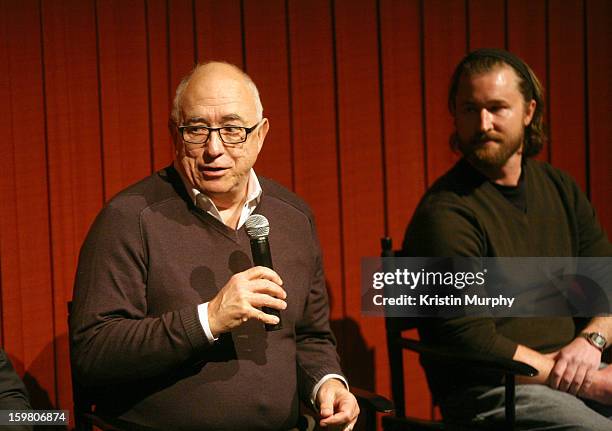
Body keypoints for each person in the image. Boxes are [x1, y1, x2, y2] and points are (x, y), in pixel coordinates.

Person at [69, 61, 359, 431]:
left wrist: (327, 384)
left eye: (233, 130)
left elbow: (309, 337)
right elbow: (93, 353)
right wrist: (209, 319)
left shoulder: (294, 218)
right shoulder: (130, 219)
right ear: (175, 134)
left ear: (260, 134)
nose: (213, 149)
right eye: (197, 130)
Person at [403, 48, 612, 430]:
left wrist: (592, 341)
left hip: (575, 367)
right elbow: (471, 340)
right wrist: (592, 381)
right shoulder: (446, 213)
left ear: (529, 112)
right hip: (495, 389)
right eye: (469, 109)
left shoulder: (559, 188)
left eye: (497, 108)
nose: (483, 123)